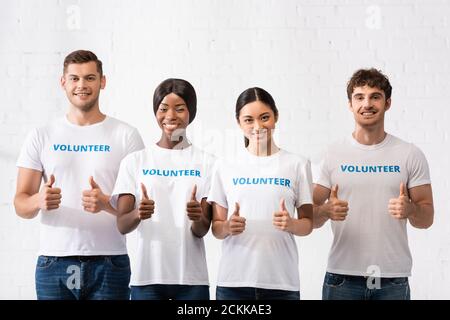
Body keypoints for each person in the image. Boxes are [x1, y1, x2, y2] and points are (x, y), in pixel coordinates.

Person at [14, 50, 145, 300]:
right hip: (53, 263)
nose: (81, 85)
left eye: (90, 78)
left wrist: (107, 203)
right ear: (63, 82)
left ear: (102, 81)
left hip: (110, 263)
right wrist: (37, 200)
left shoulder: (126, 135)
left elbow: (141, 208)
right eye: (74, 78)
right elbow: (21, 203)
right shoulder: (41, 136)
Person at [313, 68, 434, 300]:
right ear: (350, 104)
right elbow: (308, 217)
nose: (366, 104)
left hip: (392, 279)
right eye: (359, 97)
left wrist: (411, 209)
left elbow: (426, 218)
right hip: (342, 278)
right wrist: (326, 211)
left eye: (375, 97)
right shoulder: (331, 154)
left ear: (387, 103)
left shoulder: (409, 154)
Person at [111, 78, 214, 300]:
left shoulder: (208, 163)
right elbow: (122, 225)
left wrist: (197, 216)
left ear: (191, 113)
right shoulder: (135, 161)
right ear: (155, 112)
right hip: (147, 280)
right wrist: (138, 213)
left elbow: (202, 230)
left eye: (180, 109)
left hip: (191, 281)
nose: (171, 116)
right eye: (163, 108)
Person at [207, 87, 313, 300]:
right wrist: (228, 226)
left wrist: (292, 224)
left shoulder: (297, 164)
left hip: (282, 283)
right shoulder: (224, 165)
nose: (258, 126)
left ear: (276, 117)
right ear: (239, 122)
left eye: (265, 117)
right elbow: (216, 228)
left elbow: (308, 223)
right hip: (233, 283)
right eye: (248, 120)